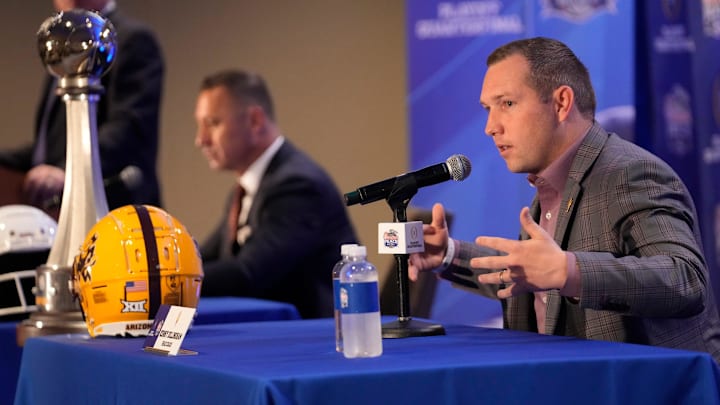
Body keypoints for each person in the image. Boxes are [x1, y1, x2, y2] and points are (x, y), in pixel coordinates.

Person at [409, 37, 720, 362]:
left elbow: (685, 280)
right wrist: (448, 255)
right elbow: (534, 276)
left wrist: (569, 271)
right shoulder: (552, 185)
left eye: (507, 104)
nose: (490, 127)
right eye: (488, 109)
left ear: (560, 103)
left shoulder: (630, 173)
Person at [194, 69, 358, 319]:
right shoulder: (246, 189)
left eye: (213, 124)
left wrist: (170, 284)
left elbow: (248, 273)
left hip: (318, 341)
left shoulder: (297, 186)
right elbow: (203, 259)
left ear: (255, 121)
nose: (201, 139)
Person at [0, 0, 163, 213]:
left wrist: (68, 170)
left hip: (113, 216)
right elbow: (48, 149)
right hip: (59, 211)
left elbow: (128, 130)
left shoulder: (132, 40)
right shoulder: (64, 45)